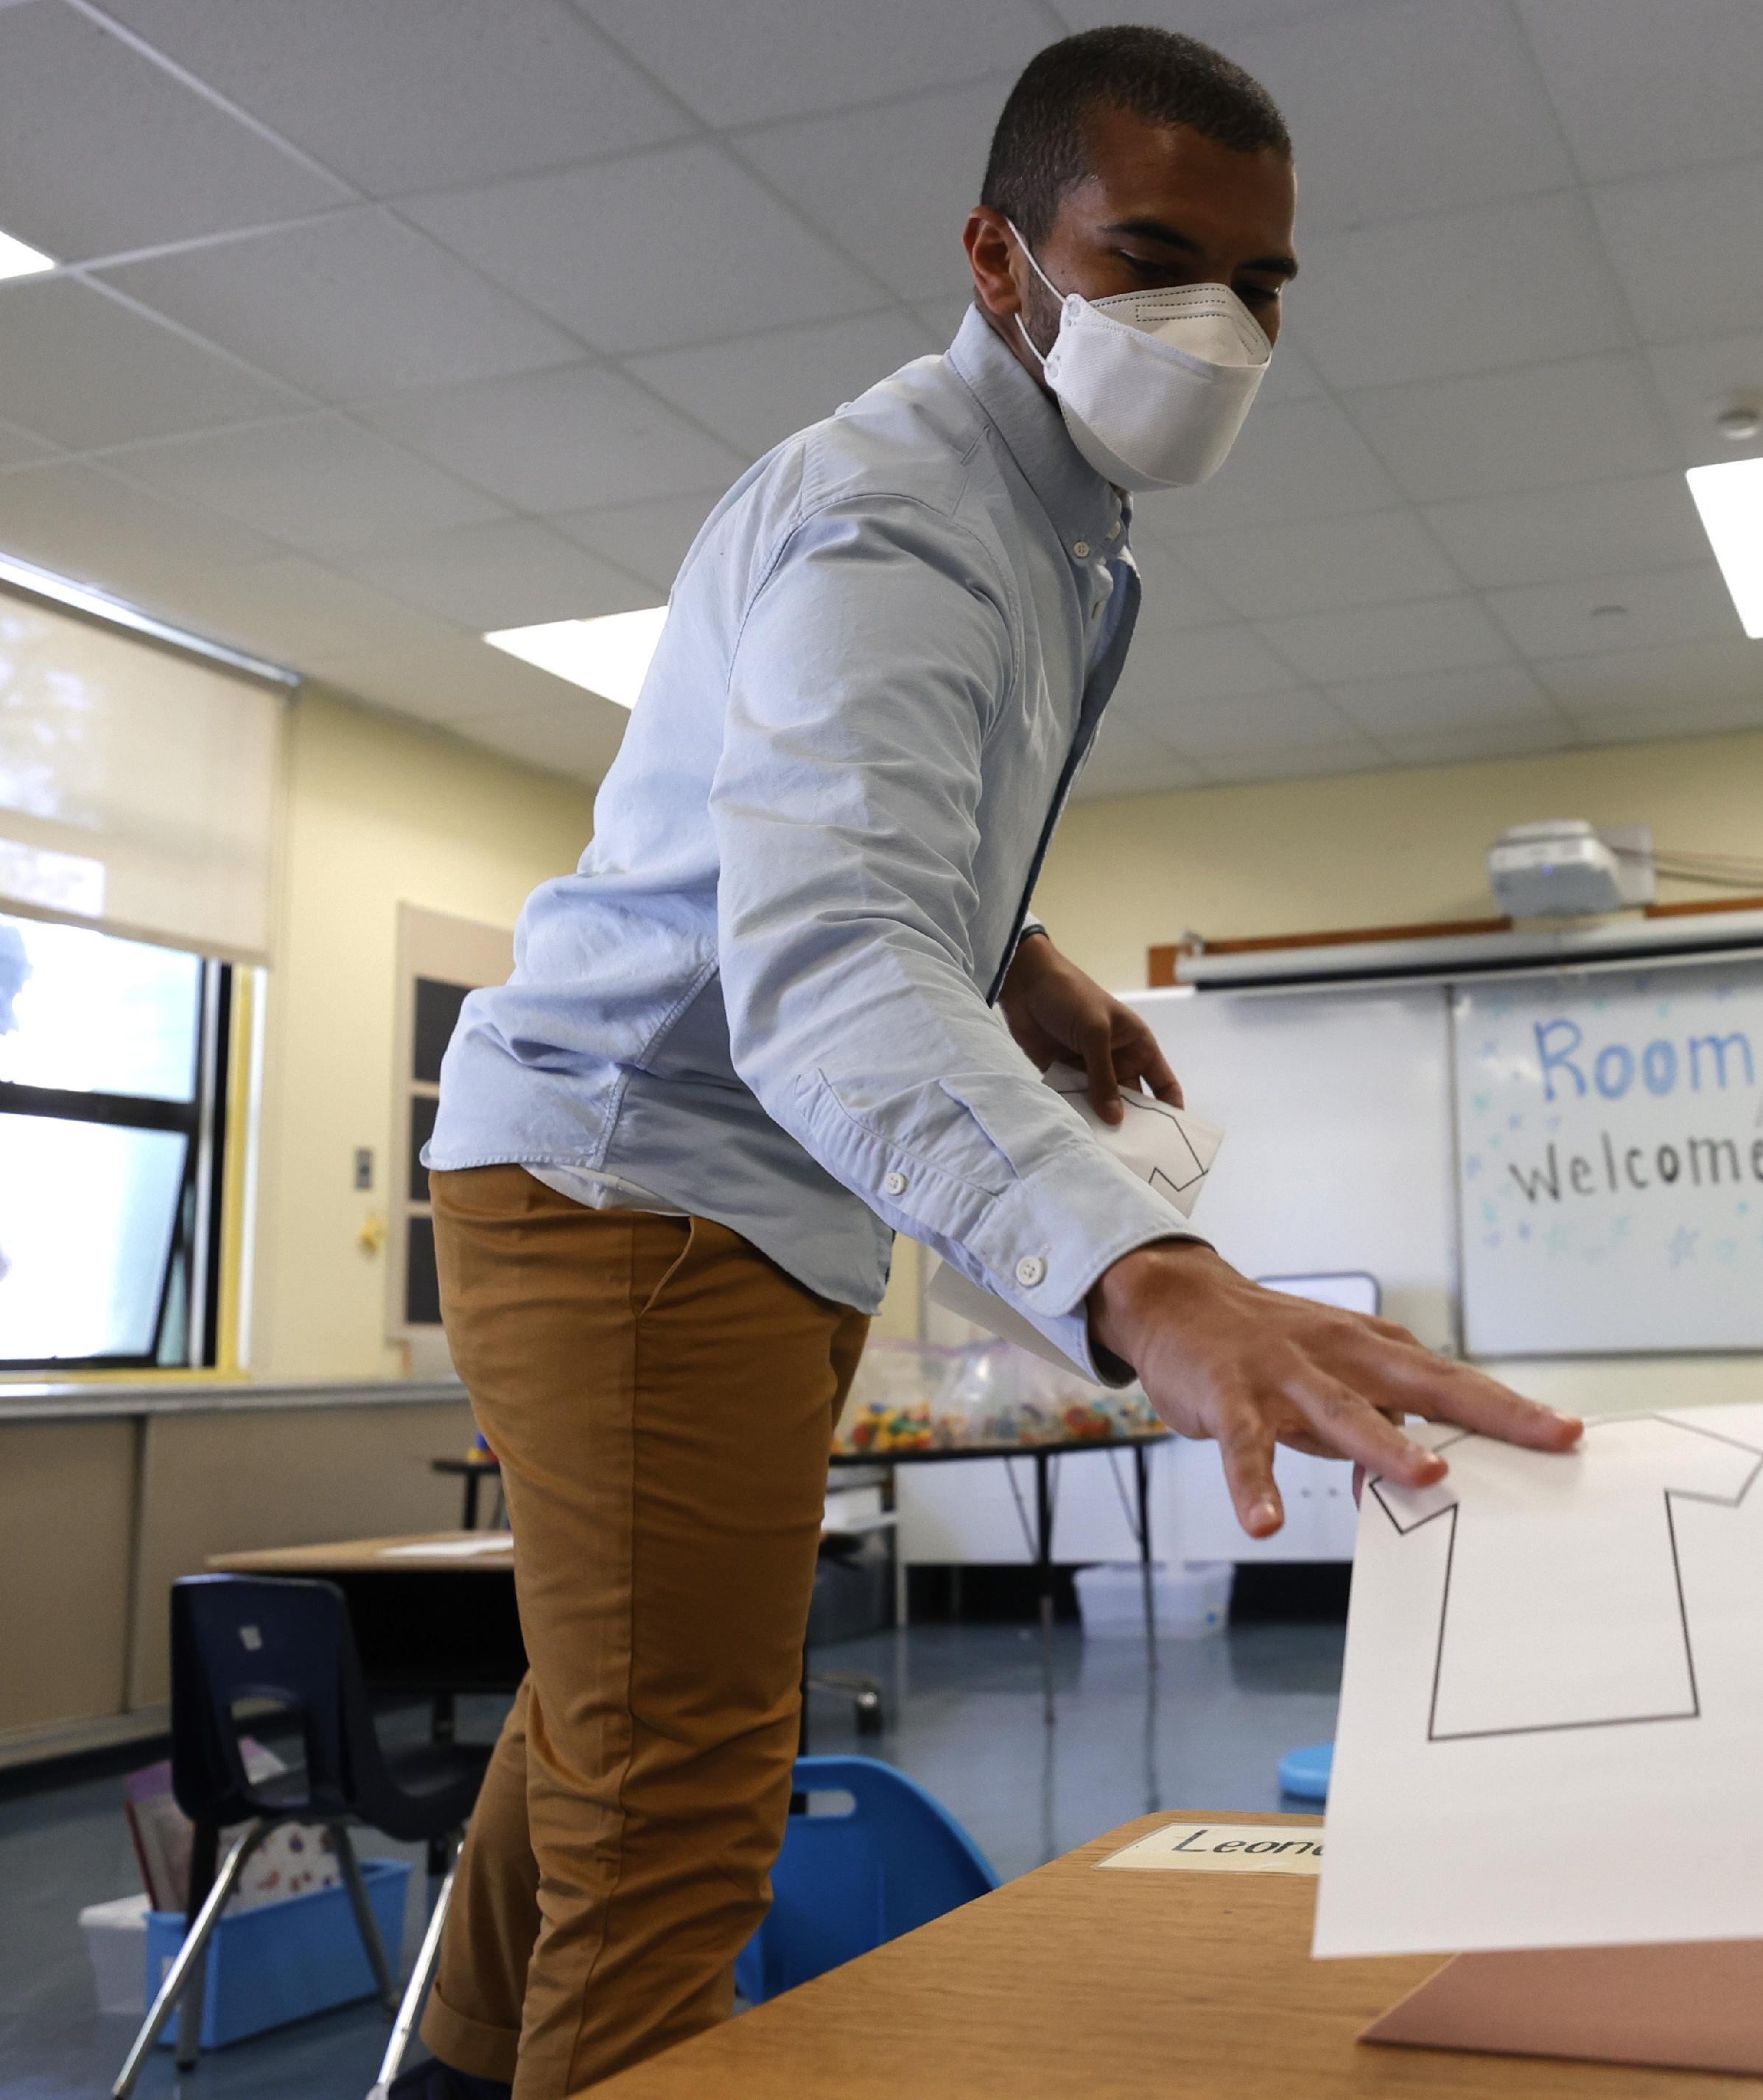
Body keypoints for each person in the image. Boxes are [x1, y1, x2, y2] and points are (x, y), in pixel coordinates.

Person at [402, 28, 1578, 2099]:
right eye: (1152, 258)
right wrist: (1155, 1276)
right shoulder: (906, 524)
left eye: (1264, 282)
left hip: (687, 1185)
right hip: (649, 1186)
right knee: (676, 1797)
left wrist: (1018, 958)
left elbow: (850, 839)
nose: (1218, 325)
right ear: (999, 255)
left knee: (613, 1734)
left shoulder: (1044, 524)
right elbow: (829, 955)